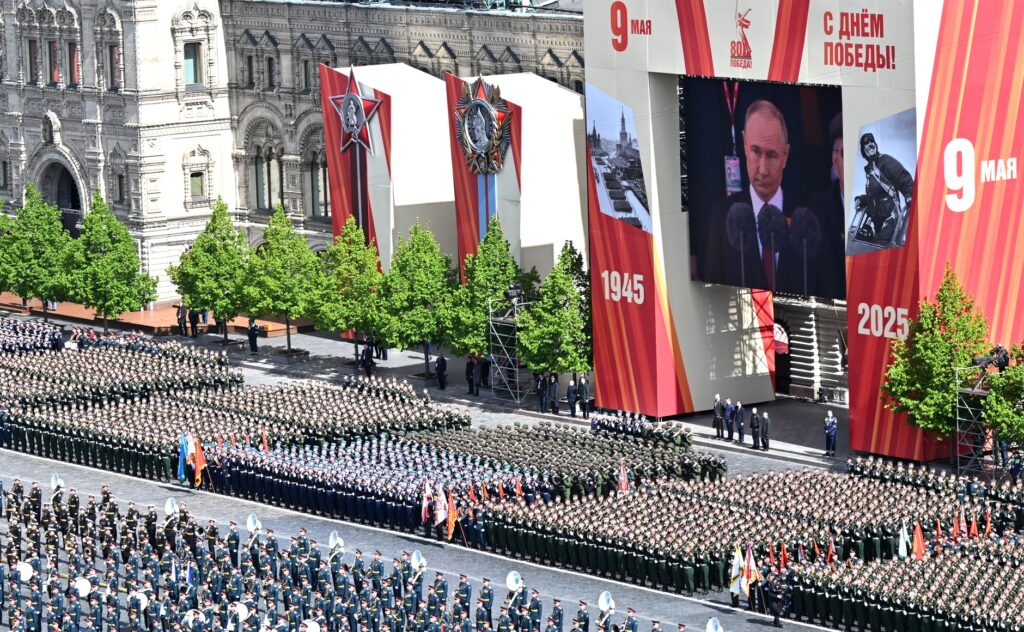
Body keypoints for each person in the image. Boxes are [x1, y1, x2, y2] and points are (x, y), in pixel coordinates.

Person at [700, 99, 810, 294]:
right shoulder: (721, 216)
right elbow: (712, 295)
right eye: (755, 152)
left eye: (772, 155)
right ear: (744, 144)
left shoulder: (809, 220)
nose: (762, 169)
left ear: (786, 155)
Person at [853, 132, 914, 246]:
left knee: (881, 249)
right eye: (866, 143)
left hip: (891, 218)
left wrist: (909, 194)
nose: (870, 144)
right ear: (863, 150)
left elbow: (904, 178)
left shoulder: (885, 161)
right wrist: (861, 199)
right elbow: (874, 197)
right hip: (877, 223)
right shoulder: (870, 171)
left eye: (872, 141)